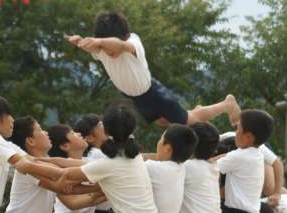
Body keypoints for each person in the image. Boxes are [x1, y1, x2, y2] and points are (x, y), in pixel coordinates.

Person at [65, 11, 241, 127]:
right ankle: (198, 111)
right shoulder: (100, 49)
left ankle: (226, 104)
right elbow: (92, 46)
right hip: (135, 97)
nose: (110, 53)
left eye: (110, 48)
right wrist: (79, 41)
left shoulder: (133, 42)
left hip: (154, 94)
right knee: (163, 122)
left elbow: (119, 45)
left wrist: (100, 42)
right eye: (105, 49)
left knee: (188, 121)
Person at [74, 114, 111, 213]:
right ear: (89, 138)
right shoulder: (96, 155)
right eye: (100, 125)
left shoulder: (101, 154)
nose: (105, 126)